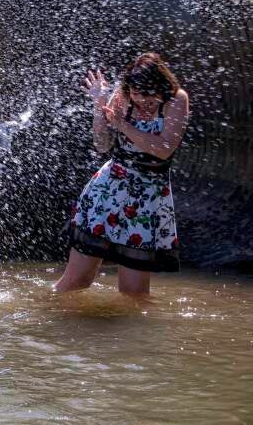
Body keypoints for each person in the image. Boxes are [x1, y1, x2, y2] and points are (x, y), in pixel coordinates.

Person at [55, 52, 190, 296]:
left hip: (148, 198)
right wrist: (99, 108)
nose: (144, 104)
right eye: (138, 99)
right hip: (108, 190)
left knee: (134, 293)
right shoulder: (122, 97)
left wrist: (122, 125)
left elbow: (163, 149)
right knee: (77, 282)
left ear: (163, 86)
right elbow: (102, 145)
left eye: (150, 98)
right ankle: (45, 316)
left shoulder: (177, 100)